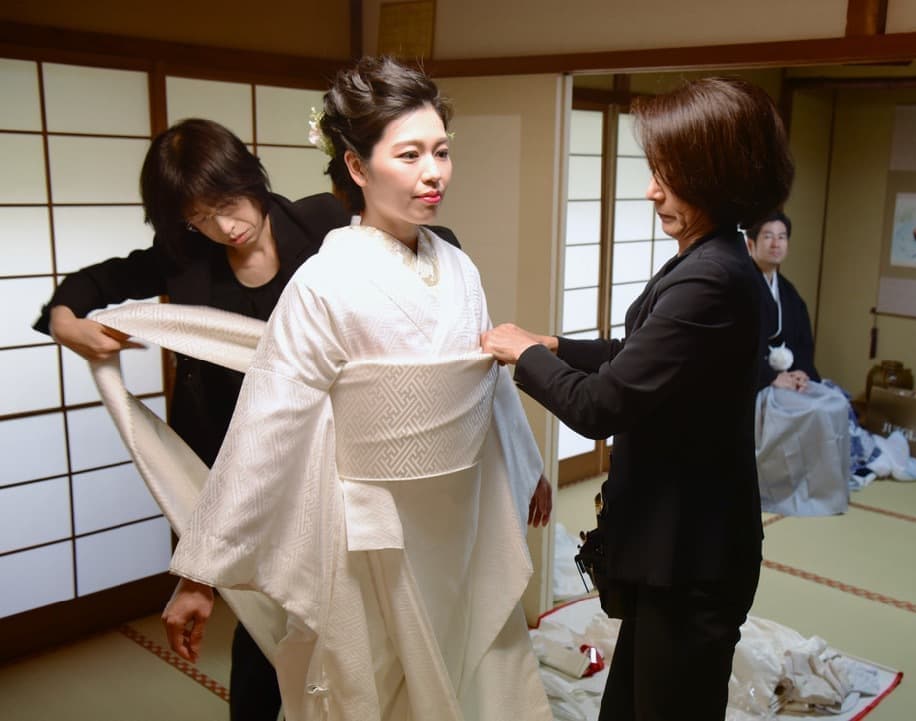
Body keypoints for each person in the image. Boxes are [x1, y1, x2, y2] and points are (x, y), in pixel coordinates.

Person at [159, 57, 553, 721]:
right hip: (374, 536)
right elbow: (267, 426)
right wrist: (199, 572)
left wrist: (528, 464)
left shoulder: (459, 266)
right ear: (357, 167)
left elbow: (489, 377)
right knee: (374, 684)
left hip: (460, 520)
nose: (434, 173)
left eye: (441, 152)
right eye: (410, 154)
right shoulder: (322, 284)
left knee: (471, 671)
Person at [481, 78, 793, 720]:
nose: (652, 190)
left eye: (668, 176)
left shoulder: (713, 277)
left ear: (714, 175)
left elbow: (602, 406)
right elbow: (645, 352)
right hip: (678, 545)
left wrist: (524, 354)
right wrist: (557, 345)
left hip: (692, 555)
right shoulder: (713, 255)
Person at [32, 117, 351, 721]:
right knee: (263, 624)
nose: (222, 227)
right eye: (200, 217)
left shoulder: (326, 226)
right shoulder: (187, 256)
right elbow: (95, 282)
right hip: (235, 462)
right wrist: (65, 320)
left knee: (341, 616)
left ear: (250, 178)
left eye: (228, 205)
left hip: (330, 455)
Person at [746, 210, 820, 392]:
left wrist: (801, 371)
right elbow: (735, 346)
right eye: (768, 237)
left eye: (782, 237)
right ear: (750, 244)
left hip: (787, 377)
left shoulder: (789, 292)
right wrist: (770, 377)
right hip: (754, 384)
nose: (775, 244)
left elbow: (803, 341)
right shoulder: (739, 286)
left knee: (833, 403)